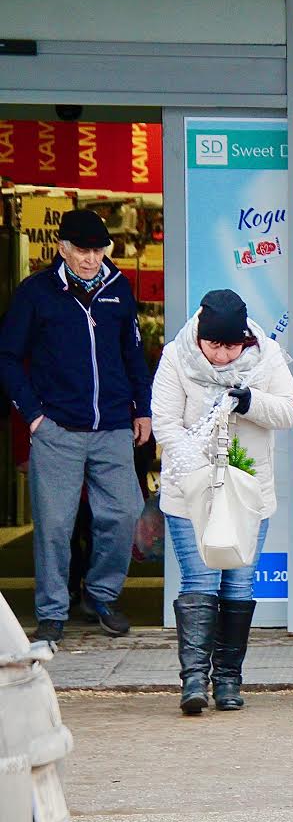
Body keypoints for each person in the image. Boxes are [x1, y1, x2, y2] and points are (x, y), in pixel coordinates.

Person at [0, 209, 152, 645]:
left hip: (113, 428)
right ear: (62, 248)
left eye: (98, 249)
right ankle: (51, 612)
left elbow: (133, 355)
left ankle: (101, 596)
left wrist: (142, 409)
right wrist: (32, 415)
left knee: (123, 513)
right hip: (57, 429)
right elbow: (8, 357)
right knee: (55, 524)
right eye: (81, 250)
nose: (90, 259)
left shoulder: (118, 289)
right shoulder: (36, 293)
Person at [153, 290, 293, 714]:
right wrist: (197, 469)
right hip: (190, 493)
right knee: (200, 581)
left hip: (248, 494)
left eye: (231, 346)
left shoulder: (267, 357)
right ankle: (194, 681)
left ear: (245, 340)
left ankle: (229, 680)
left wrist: (251, 401)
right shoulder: (176, 358)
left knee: (238, 584)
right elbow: (164, 422)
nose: (221, 355)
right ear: (199, 334)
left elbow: (291, 410)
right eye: (213, 345)